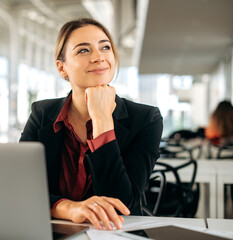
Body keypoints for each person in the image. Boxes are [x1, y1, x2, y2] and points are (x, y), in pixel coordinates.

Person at [19, 18, 163, 230]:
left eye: (105, 47)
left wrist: (102, 121)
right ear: (62, 68)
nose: (99, 57)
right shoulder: (42, 114)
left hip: (115, 234)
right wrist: (69, 209)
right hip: (47, 231)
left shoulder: (145, 119)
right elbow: (20, 187)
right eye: (83, 51)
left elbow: (122, 203)